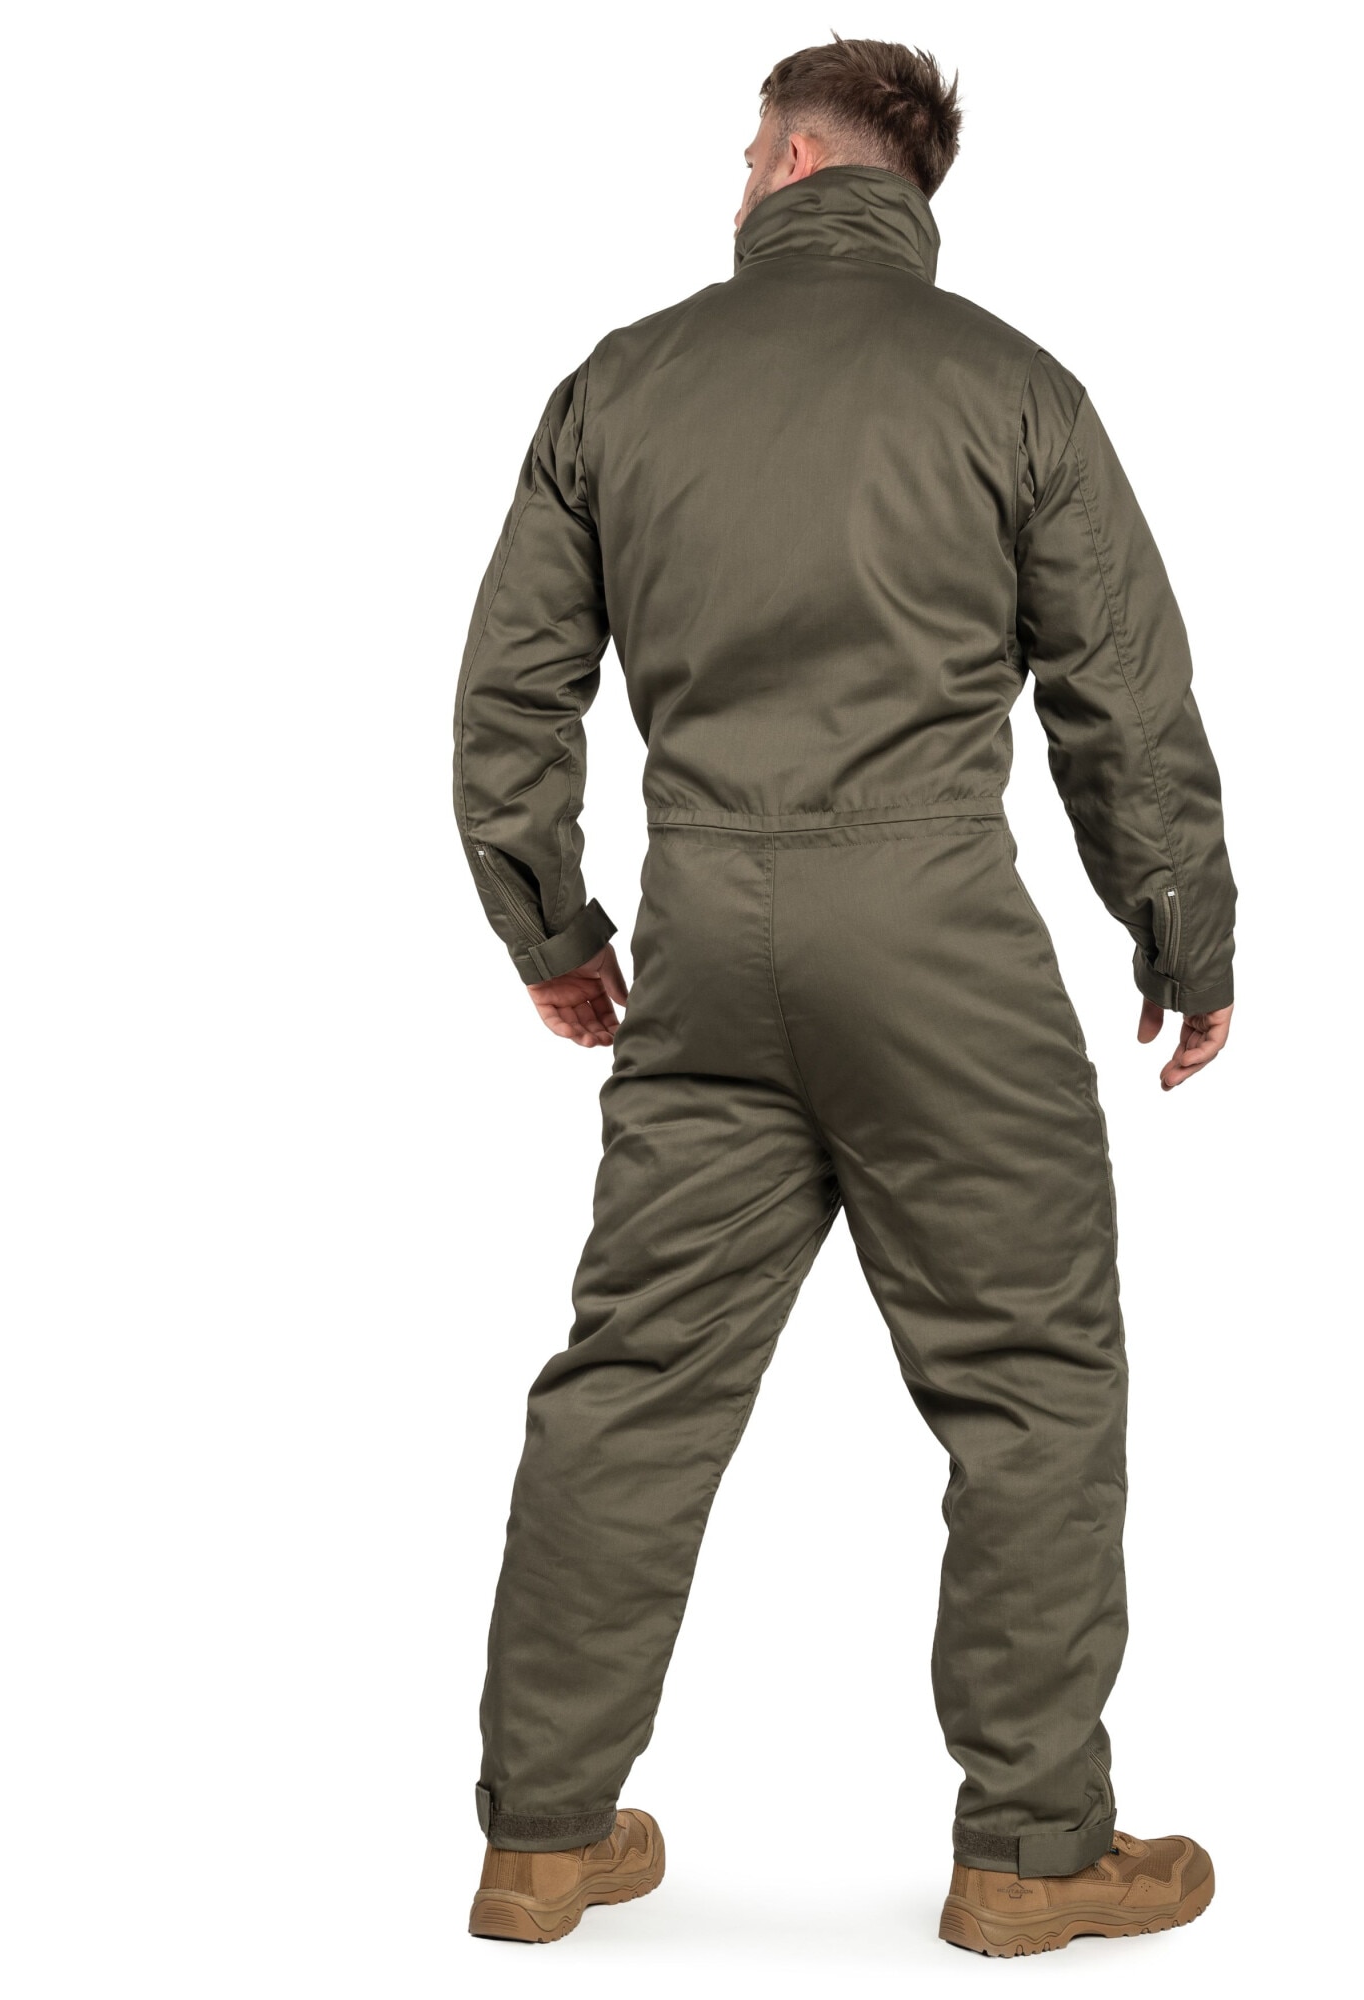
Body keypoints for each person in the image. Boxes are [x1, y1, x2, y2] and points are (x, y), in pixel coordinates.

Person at [451, 36, 1235, 1956]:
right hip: (936, 940)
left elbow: (512, 691)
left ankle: (542, 1837)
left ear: (798, 161)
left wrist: (552, 926)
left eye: (744, 153)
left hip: (706, 935)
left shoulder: (620, 384)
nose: (733, 180)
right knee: (1031, 1383)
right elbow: (1123, 697)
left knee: (635, 1383)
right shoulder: (1012, 390)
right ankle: (1031, 1851)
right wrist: (1183, 933)